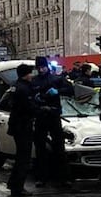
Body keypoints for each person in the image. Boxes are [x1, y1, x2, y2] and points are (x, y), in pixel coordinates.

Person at [31, 56, 73, 187]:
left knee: (59, 147)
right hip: (41, 115)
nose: (41, 69)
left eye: (43, 67)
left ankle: (63, 177)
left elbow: (70, 90)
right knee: (40, 148)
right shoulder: (34, 81)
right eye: (39, 67)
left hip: (53, 115)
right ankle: (42, 177)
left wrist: (57, 92)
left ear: (46, 66)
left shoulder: (56, 79)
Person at [7, 64, 37, 197]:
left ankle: (13, 183)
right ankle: (18, 187)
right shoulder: (24, 88)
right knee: (23, 158)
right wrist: (42, 109)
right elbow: (29, 107)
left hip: (15, 124)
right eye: (31, 73)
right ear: (26, 74)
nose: (32, 75)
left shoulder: (14, 85)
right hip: (23, 125)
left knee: (20, 156)